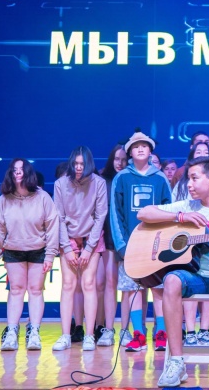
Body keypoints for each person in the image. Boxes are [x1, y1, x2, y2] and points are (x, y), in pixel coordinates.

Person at [137, 156, 209, 388]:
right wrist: (179, 217)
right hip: (193, 275)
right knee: (171, 280)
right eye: (188, 179)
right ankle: (176, 362)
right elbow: (144, 213)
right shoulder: (186, 206)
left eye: (194, 178)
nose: (188, 184)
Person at [110, 129, 172, 352]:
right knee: (134, 290)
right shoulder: (121, 178)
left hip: (156, 247)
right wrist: (122, 246)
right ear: (129, 152)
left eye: (144, 145)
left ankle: (161, 332)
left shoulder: (160, 178)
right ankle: (138, 334)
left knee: (159, 289)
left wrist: (165, 244)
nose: (140, 149)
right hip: (130, 247)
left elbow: (169, 211)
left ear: (150, 150)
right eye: (136, 146)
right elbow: (115, 213)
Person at [0, 158, 59, 351]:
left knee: (36, 290)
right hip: (13, 250)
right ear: (10, 174)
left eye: (21, 169)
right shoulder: (4, 200)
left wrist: (50, 255)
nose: (18, 172)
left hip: (38, 250)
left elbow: (53, 226)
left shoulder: (42, 197)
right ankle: (12, 333)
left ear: (28, 172)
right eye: (14, 170)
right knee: (16, 290)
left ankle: (34, 332)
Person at [52, 146, 108, 352]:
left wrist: (88, 248)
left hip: (91, 238)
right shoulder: (60, 184)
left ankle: (90, 335)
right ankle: (66, 335)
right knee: (68, 284)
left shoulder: (98, 183)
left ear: (88, 164)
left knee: (88, 283)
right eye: (75, 164)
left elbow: (100, 216)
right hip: (67, 238)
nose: (78, 167)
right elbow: (58, 217)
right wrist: (67, 248)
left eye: (82, 164)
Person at [173, 142, 209, 346]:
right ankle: (190, 331)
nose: (190, 183)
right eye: (198, 152)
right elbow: (150, 212)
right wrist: (181, 216)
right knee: (185, 275)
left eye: (205, 152)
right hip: (186, 248)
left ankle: (204, 330)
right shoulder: (184, 190)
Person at [96, 144, 130, 346]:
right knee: (110, 283)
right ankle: (108, 330)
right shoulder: (103, 181)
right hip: (109, 238)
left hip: (127, 241)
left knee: (126, 287)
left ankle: (125, 330)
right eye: (117, 159)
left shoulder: (129, 179)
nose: (120, 163)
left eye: (124, 159)